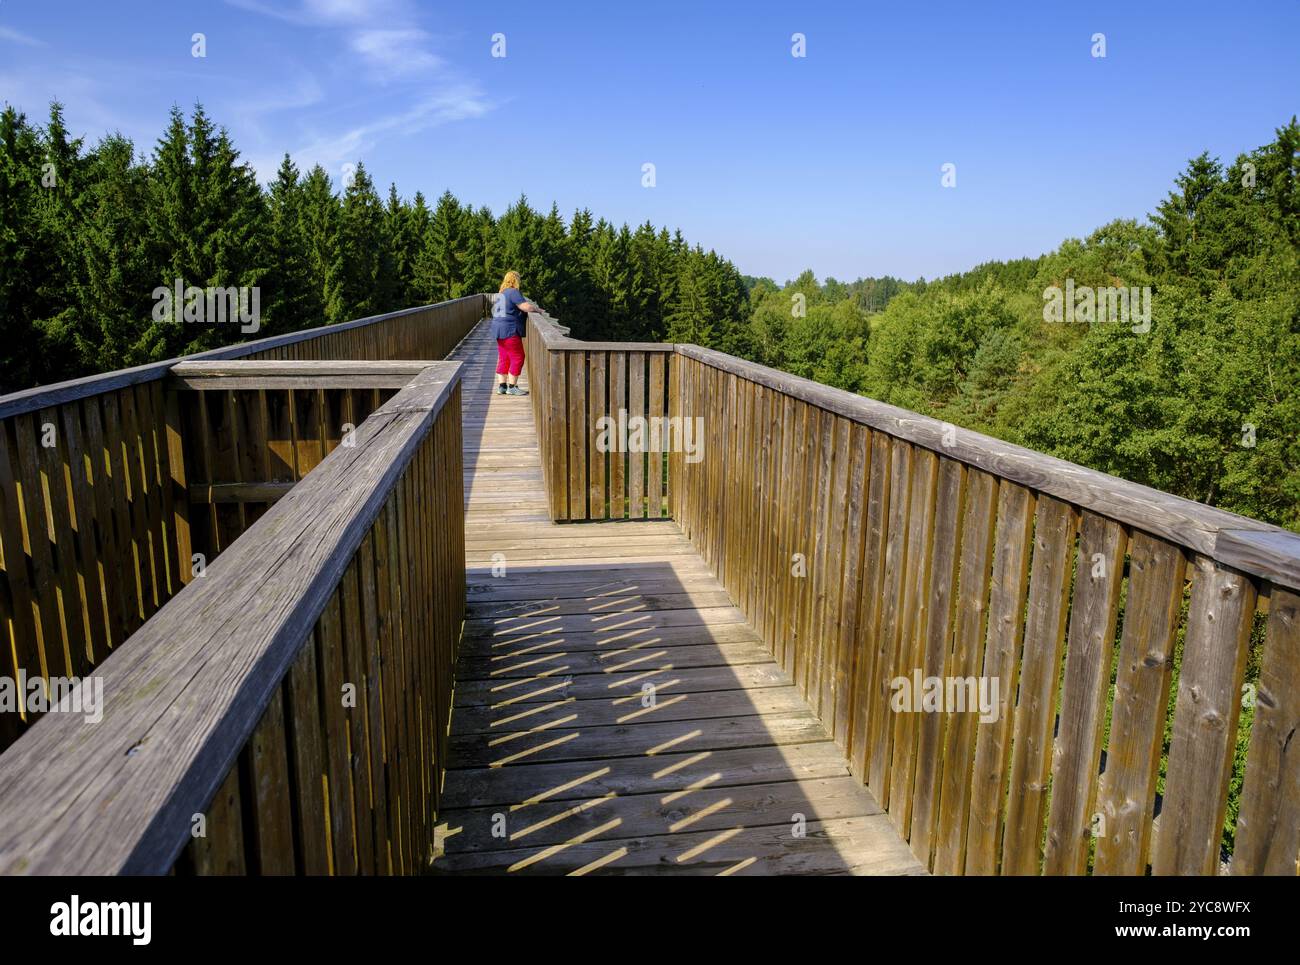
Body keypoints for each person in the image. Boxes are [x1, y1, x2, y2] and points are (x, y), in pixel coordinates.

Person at [491, 270, 538, 396]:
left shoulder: (501, 293)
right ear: (515, 280)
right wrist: (537, 310)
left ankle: (502, 386)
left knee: (504, 356)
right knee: (518, 357)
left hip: (498, 329)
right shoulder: (513, 292)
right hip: (509, 329)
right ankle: (512, 387)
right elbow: (526, 307)